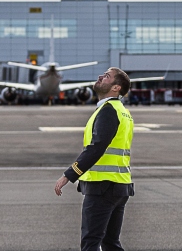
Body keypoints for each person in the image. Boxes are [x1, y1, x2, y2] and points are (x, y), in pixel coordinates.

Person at [54, 67, 135, 251]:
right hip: (119, 186)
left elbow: (96, 148)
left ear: (116, 88)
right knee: (110, 244)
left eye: (107, 76)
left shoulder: (108, 111)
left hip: (103, 187)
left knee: (91, 243)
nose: (100, 77)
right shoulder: (122, 111)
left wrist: (69, 174)